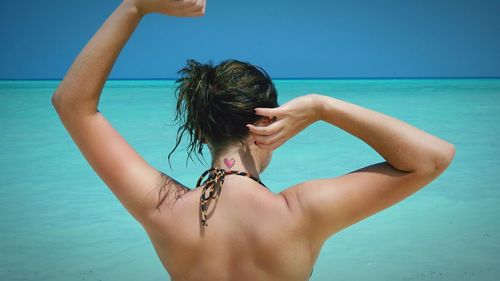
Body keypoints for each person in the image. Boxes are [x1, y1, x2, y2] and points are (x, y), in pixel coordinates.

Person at [51, 0, 456, 280]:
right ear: (268, 123)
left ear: (203, 128)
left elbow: (73, 105)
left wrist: (134, 7)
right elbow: (433, 157)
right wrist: (322, 107)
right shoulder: (300, 213)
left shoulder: (163, 209)